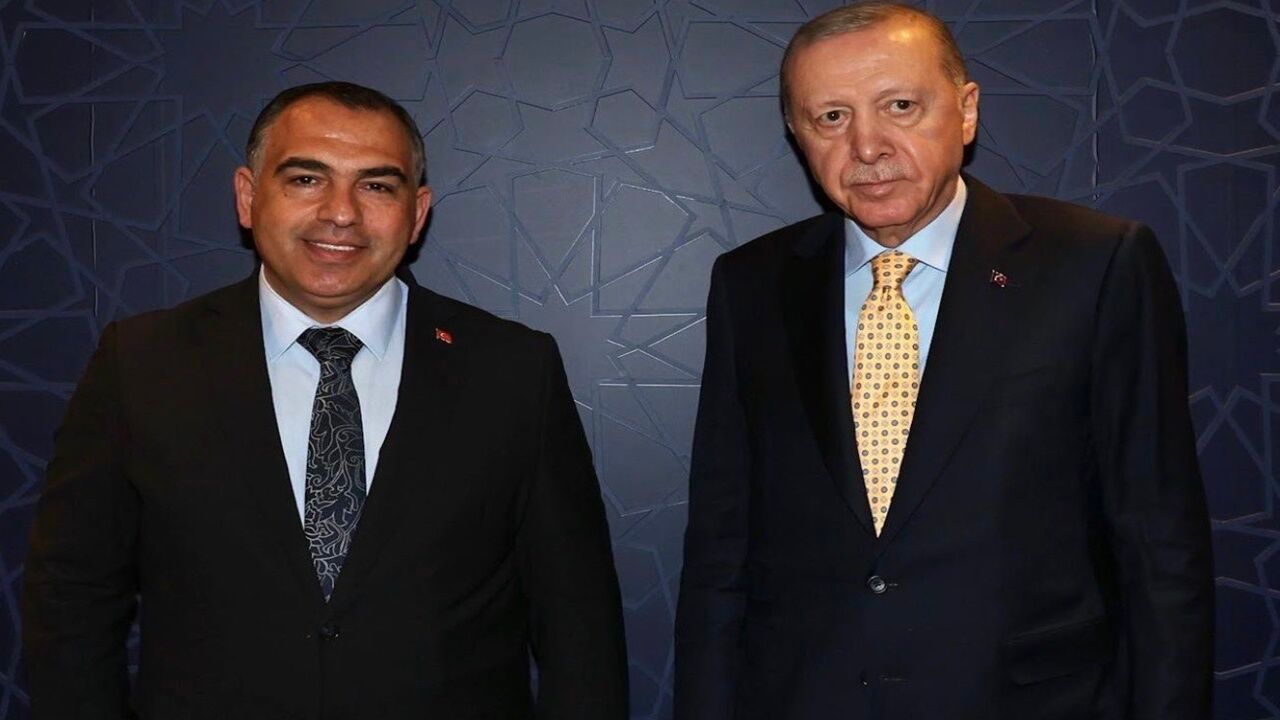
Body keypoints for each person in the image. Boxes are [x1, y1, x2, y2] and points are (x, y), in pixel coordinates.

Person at [23, 81, 628, 719]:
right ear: (248, 197)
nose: (341, 213)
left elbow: (579, 621)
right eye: (307, 179)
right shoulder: (142, 363)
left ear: (417, 213)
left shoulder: (512, 369)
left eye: (377, 186)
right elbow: (71, 597)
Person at [674, 3, 1213, 719]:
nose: (867, 146)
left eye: (900, 106)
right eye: (831, 117)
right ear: (797, 135)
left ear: (966, 111)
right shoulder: (752, 285)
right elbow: (720, 550)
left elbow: (1159, 541)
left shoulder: (1095, 264)